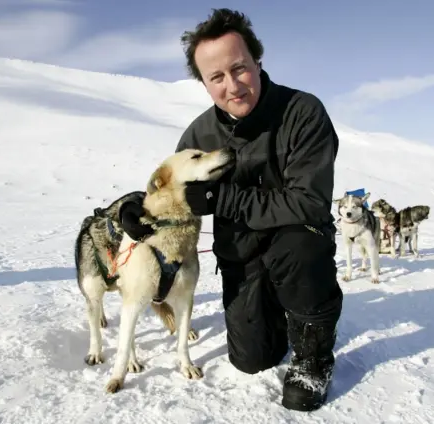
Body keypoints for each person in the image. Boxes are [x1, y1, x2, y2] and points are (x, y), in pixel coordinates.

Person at [118, 8, 343, 412]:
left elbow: (309, 200)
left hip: (298, 242)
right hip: (241, 253)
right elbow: (171, 184)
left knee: (298, 247)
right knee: (251, 359)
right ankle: (276, 310)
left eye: (239, 68)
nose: (232, 85)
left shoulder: (302, 112)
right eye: (216, 77)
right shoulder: (200, 134)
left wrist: (221, 200)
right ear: (204, 84)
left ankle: (314, 354)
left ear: (257, 62)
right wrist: (134, 206)